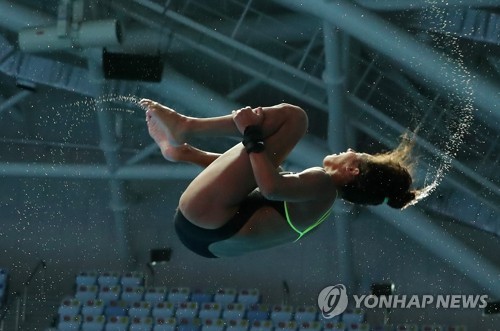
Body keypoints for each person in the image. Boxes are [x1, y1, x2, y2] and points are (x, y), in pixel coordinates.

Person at [141, 99, 418, 258]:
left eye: (354, 153)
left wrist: (250, 130)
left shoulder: (322, 184)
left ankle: (186, 126)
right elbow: (246, 181)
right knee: (261, 159)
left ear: (352, 171)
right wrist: (190, 156)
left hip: (209, 221)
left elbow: (270, 188)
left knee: (294, 119)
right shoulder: (318, 204)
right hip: (205, 237)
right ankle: (181, 147)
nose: (347, 150)